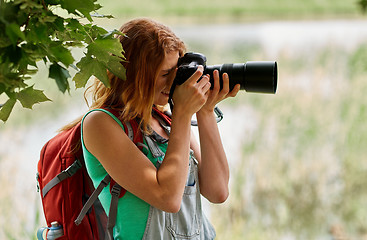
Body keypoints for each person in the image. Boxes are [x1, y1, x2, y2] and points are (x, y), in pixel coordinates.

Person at [80, 18, 240, 239]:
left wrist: (206, 111)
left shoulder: (167, 121)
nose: (174, 81)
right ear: (136, 73)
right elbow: (168, 198)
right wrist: (183, 113)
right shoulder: (100, 124)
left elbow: (218, 191)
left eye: (176, 71)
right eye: (165, 74)